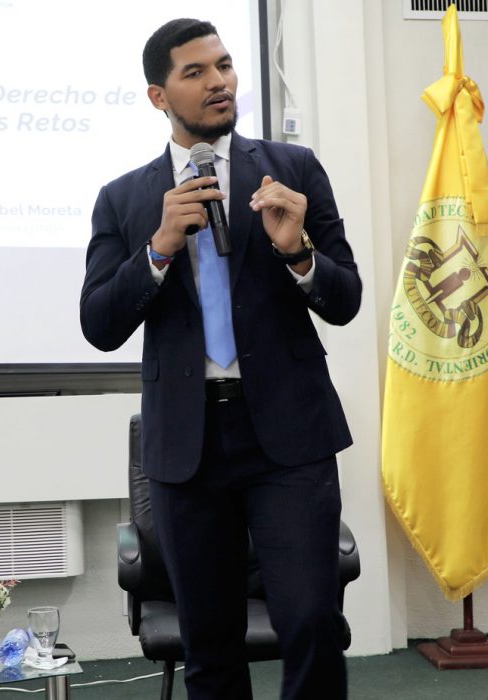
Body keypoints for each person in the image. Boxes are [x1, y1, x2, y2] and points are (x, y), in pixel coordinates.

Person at [79, 17, 361, 700]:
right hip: (188, 445)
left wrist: (297, 252)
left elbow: (346, 298)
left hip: (289, 439)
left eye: (225, 66)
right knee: (209, 643)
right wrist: (158, 249)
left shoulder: (292, 171)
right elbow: (99, 325)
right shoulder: (125, 199)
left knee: (312, 622)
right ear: (159, 96)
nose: (219, 82)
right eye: (196, 72)